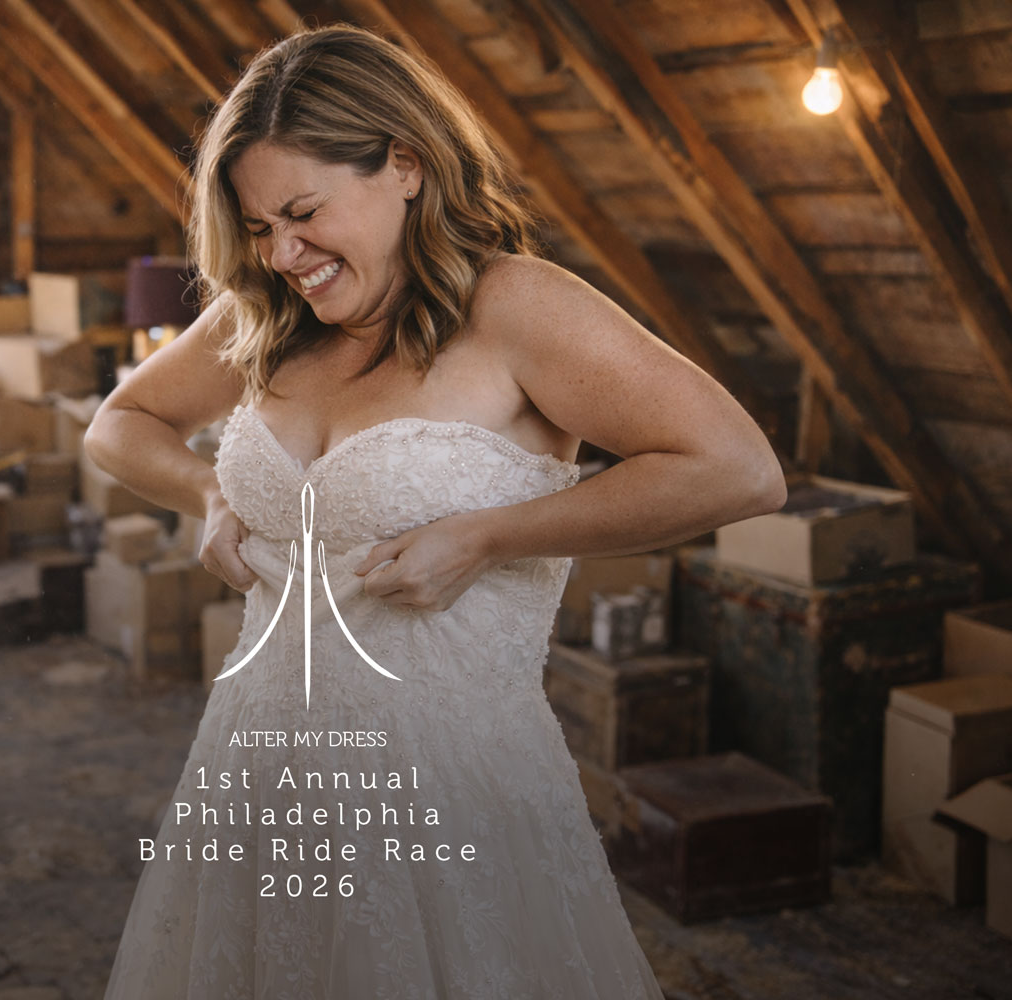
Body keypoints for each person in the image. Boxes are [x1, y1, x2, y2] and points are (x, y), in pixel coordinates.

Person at [87, 23, 786, 1000]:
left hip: (454, 792)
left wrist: (491, 534)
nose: (283, 253)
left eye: (302, 212)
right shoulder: (266, 321)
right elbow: (117, 425)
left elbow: (740, 470)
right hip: (256, 765)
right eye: (256, 228)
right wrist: (206, 491)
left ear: (405, 165)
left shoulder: (518, 307)